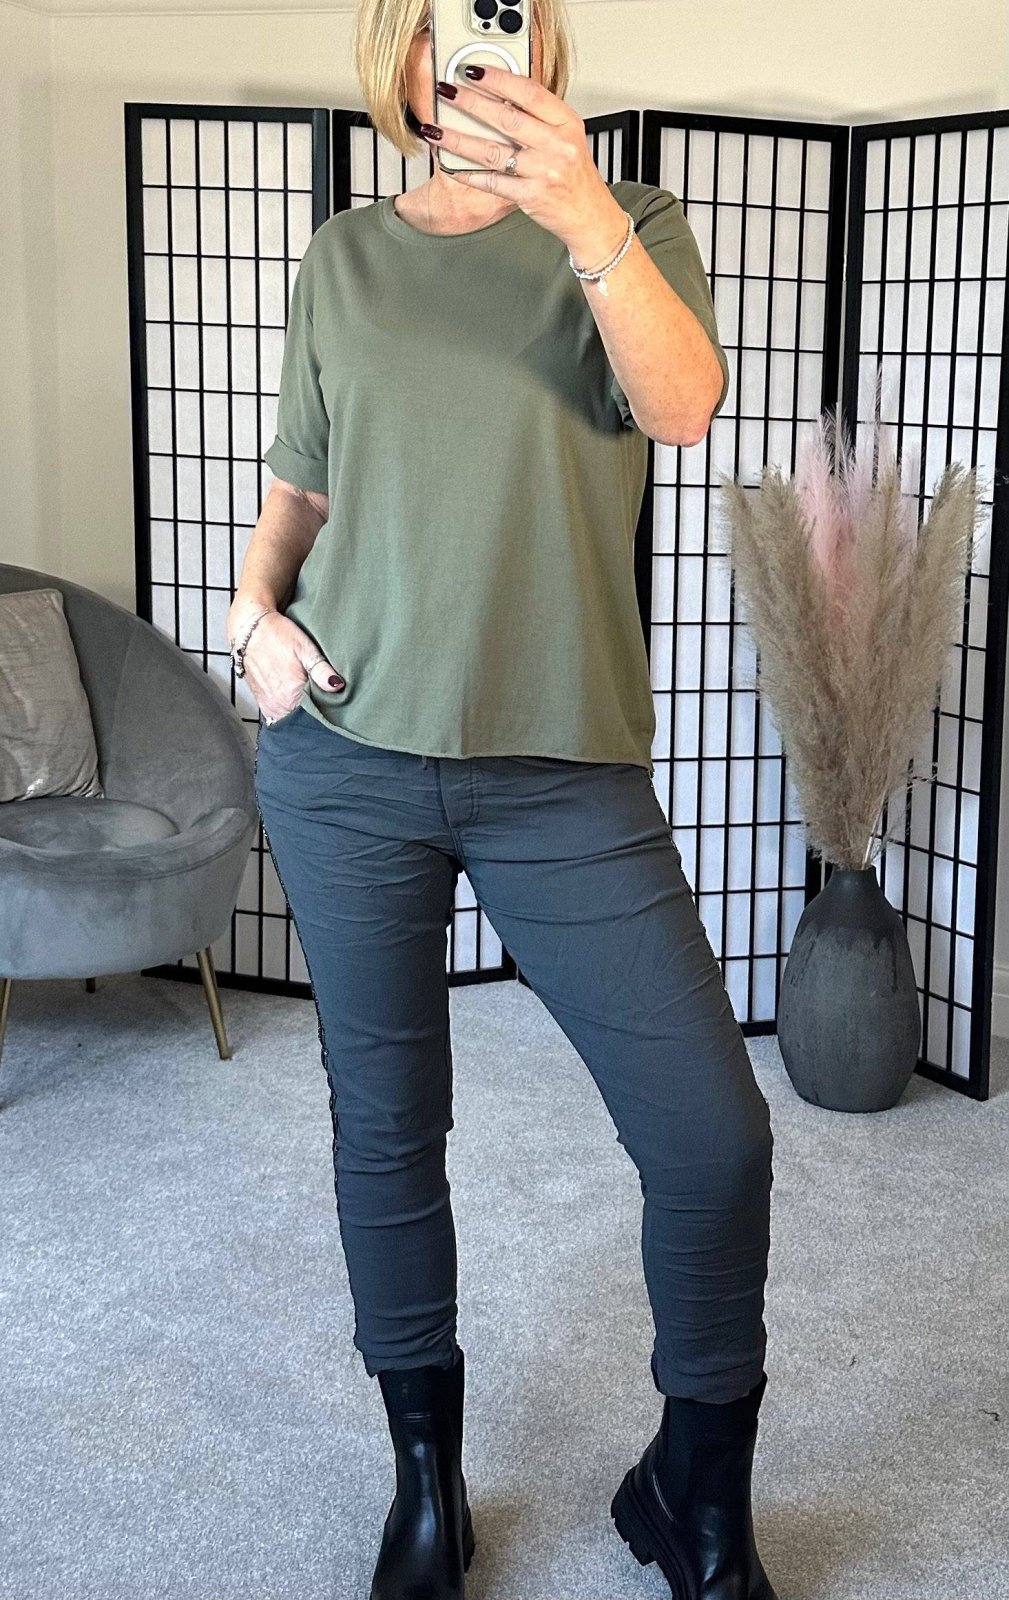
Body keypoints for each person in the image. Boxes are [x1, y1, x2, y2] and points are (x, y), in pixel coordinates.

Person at [228, 2, 778, 1596]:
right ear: (395, 55)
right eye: (441, 23)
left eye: (505, 13)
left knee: (712, 1140)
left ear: (542, 46)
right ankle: (428, 1488)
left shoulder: (629, 223)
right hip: (346, 758)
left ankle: (693, 1489)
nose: (473, 51)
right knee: (387, 1127)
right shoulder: (344, 255)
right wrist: (251, 614)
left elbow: (680, 407)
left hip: (561, 772)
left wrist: (584, 210)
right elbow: (302, 482)